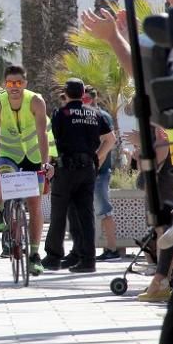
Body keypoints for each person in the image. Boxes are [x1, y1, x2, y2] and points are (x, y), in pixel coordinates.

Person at [40, 79, 115, 273]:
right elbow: (111, 139)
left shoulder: (61, 113)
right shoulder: (95, 113)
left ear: (66, 93)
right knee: (84, 214)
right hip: (88, 168)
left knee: (59, 213)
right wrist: (97, 157)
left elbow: (53, 141)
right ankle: (87, 260)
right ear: (83, 93)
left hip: (66, 168)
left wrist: (49, 164)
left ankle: (53, 256)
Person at [0, 64, 52, 271]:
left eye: (19, 83)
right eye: (10, 83)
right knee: (4, 174)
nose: (14, 87)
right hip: (9, 153)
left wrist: (45, 162)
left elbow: (42, 135)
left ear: (25, 83)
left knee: (35, 204)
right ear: (4, 85)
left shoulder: (36, 101)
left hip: (32, 155)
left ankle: (33, 254)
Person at [85, 86, 120, 263]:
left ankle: (112, 249)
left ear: (94, 98)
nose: (83, 102)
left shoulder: (102, 117)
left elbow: (108, 143)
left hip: (100, 172)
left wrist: (95, 161)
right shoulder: (85, 116)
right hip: (90, 171)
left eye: (86, 99)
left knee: (104, 210)